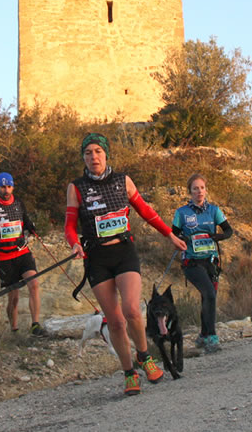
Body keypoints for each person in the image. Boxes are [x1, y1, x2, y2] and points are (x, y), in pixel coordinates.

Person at [65, 133, 187, 396]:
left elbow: (146, 211)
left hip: (124, 252)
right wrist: (74, 243)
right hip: (96, 259)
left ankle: (144, 356)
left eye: (98, 151)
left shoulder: (123, 181)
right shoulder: (76, 187)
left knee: (132, 309)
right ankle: (129, 372)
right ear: (83, 158)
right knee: (116, 322)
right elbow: (69, 225)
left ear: (106, 154)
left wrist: (170, 235)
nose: (93, 157)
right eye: (88, 153)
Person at [0, 172, 47, 336]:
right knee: (14, 297)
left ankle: (35, 325)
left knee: (33, 284)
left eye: (9, 186)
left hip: (22, 252)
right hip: (5, 257)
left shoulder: (18, 202)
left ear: (13, 187)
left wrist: (31, 228)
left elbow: (25, 221)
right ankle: (14, 330)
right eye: (3, 187)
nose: (6, 190)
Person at [171, 173, 234, 354]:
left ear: (206, 190)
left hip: (211, 261)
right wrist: (182, 237)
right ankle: (212, 337)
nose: (199, 192)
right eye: (195, 188)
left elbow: (229, 230)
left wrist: (219, 236)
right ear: (189, 191)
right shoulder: (182, 213)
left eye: (202, 188)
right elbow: (173, 234)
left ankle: (203, 335)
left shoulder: (214, 210)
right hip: (191, 262)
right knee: (209, 294)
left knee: (209, 297)